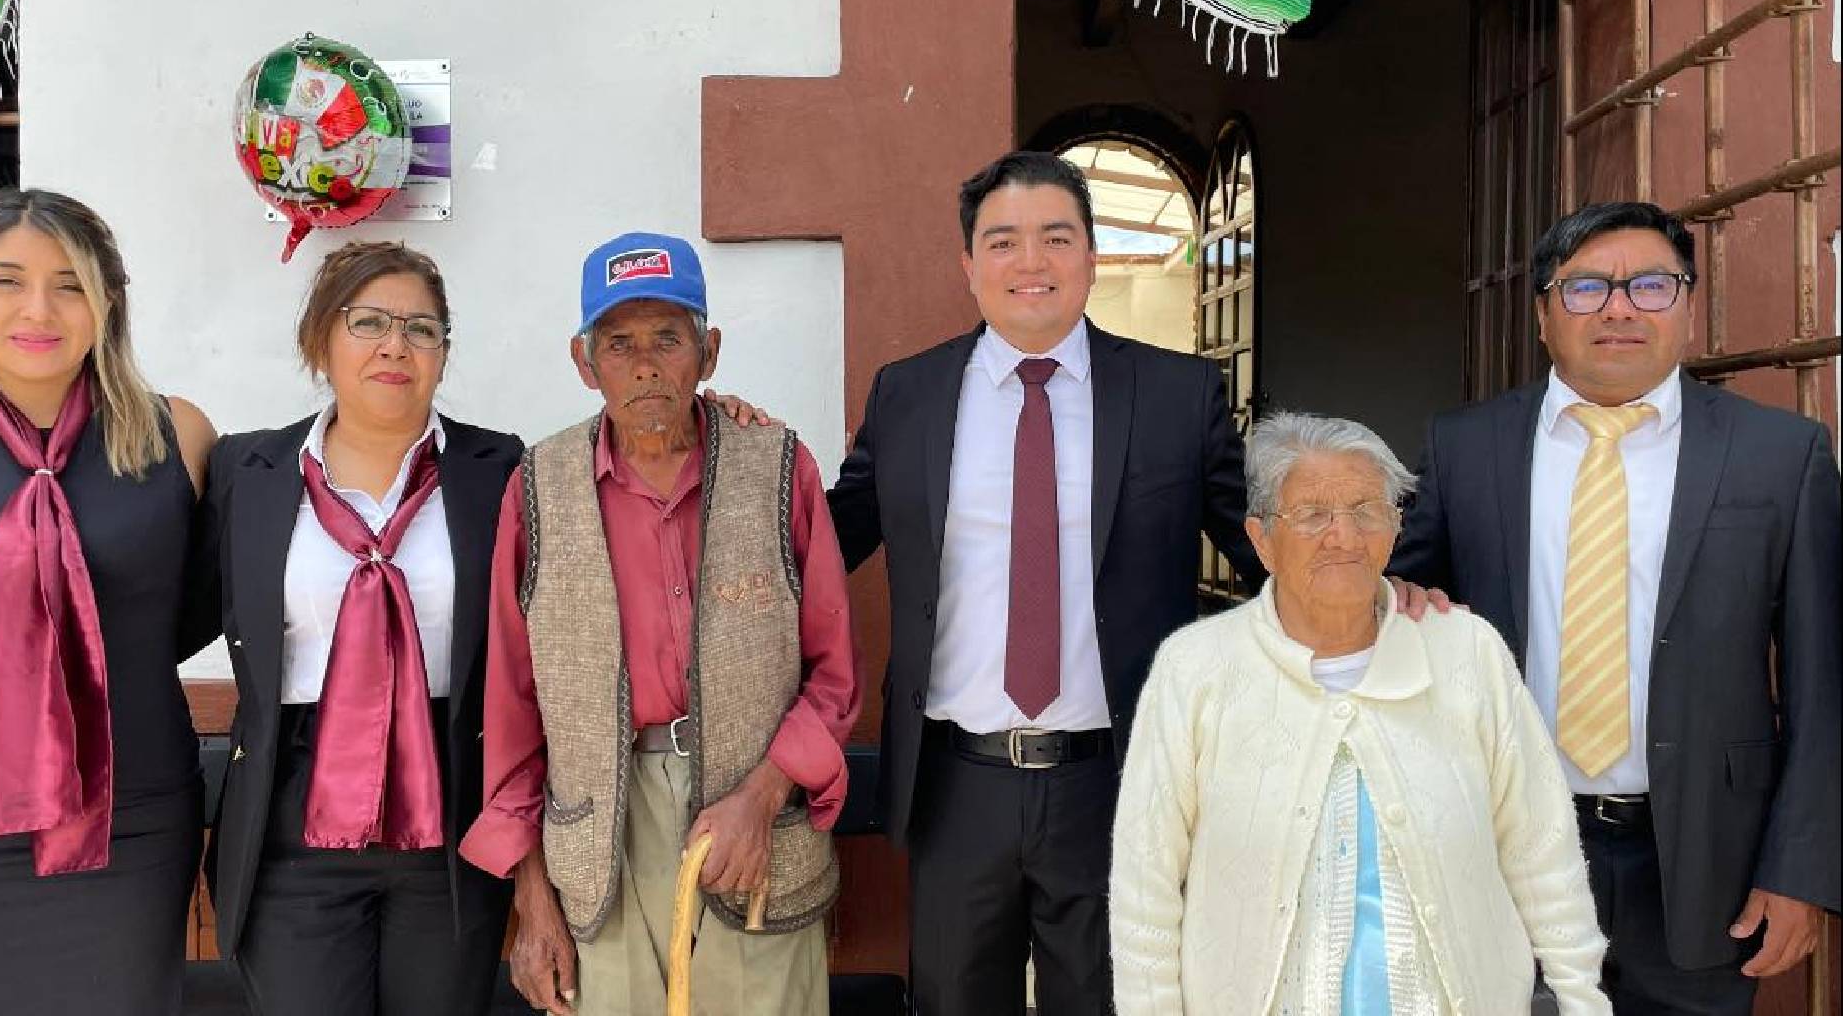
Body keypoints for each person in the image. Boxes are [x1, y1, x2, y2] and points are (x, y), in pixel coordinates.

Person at [824, 150, 1263, 1014]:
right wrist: (724, 453)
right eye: (1004, 242)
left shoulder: (1177, 394)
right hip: (957, 784)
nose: (1032, 263)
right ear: (969, 265)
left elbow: (1262, 548)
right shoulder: (909, 394)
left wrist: (1391, 594)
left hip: (1118, 779)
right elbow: (830, 538)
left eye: (1056, 238)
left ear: (1091, 256)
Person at [1390, 201, 1841, 1011]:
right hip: (1507, 848)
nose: (1621, 307)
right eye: (1587, 287)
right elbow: (1392, 612)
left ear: (1690, 308)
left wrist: (1800, 870)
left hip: (1709, 862)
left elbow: (1824, 684)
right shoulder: (1467, 447)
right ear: (1543, 313)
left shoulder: (1781, 454)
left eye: (1651, 286)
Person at [460, 232, 860, 1016]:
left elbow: (835, 670)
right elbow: (513, 707)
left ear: (707, 352)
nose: (645, 365)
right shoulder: (539, 488)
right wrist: (530, 899)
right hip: (599, 832)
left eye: (668, 339)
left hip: (758, 818)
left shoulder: (778, 466)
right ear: (585, 362)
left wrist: (764, 792)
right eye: (620, 343)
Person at [1110, 412, 1608, 1015]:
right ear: (1261, 539)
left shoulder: (1467, 652)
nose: (1343, 536)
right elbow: (1146, 888)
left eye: (1367, 510)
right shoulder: (1194, 669)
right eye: (1313, 514)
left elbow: (1541, 847)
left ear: (1396, 530)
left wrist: (1582, 996)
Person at [198, 241, 519, 1015]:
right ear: (321, 339)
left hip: (450, 815)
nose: (394, 346)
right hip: (291, 816)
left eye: (421, 328)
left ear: (444, 351)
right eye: (368, 321)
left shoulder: (499, 469)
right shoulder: (247, 471)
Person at [0, 188, 218, 1013]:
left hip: (130, 822)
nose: (39, 310)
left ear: (109, 300)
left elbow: (192, 614)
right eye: (7, 281)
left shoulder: (180, 439)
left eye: (71, 283)